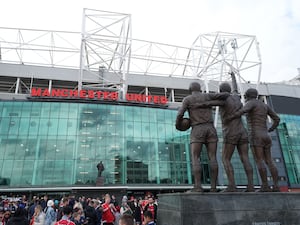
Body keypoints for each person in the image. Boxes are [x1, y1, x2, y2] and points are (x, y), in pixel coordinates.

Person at [197, 72, 255, 192]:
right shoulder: (236, 97)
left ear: (221, 90)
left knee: (225, 158)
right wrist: (233, 77)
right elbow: (235, 88)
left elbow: (210, 102)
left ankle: (232, 186)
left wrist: (201, 103)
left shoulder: (223, 100)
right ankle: (251, 186)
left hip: (231, 132)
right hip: (243, 132)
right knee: (245, 158)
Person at [176, 81, 229, 192]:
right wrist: (209, 103)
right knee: (213, 158)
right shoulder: (207, 96)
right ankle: (214, 188)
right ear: (200, 89)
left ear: (190, 90)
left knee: (196, 157)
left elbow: (180, 114)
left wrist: (178, 125)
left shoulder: (188, 99)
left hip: (197, 129)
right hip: (210, 128)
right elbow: (225, 95)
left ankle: (198, 186)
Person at [229, 88, 280, 192]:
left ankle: (265, 186)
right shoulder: (264, 105)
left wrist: (230, 116)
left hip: (256, 135)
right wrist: (271, 129)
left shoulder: (250, 103)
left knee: (259, 160)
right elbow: (277, 119)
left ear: (247, 96)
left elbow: (242, 111)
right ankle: (276, 186)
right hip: (266, 134)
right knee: (269, 160)